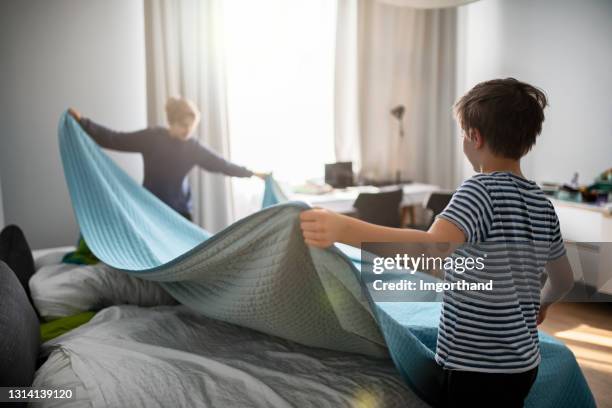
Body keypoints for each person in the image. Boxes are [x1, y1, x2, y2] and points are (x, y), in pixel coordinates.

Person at [299, 78, 574, 407]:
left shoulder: (479, 191)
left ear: (474, 137)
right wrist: (542, 303)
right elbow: (563, 279)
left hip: (475, 368)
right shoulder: (542, 203)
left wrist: (344, 229)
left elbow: (430, 250)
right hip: (524, 364)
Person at [69, 97, 267, 221]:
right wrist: (82, 122)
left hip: (180, 213)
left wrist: (252, 173)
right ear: (171, 121)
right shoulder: (152, 138)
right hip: (150, 208)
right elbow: (114, 139)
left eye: (192, 125)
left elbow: (222, 165)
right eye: (183, 124)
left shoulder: (193, 147)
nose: (187, 130)